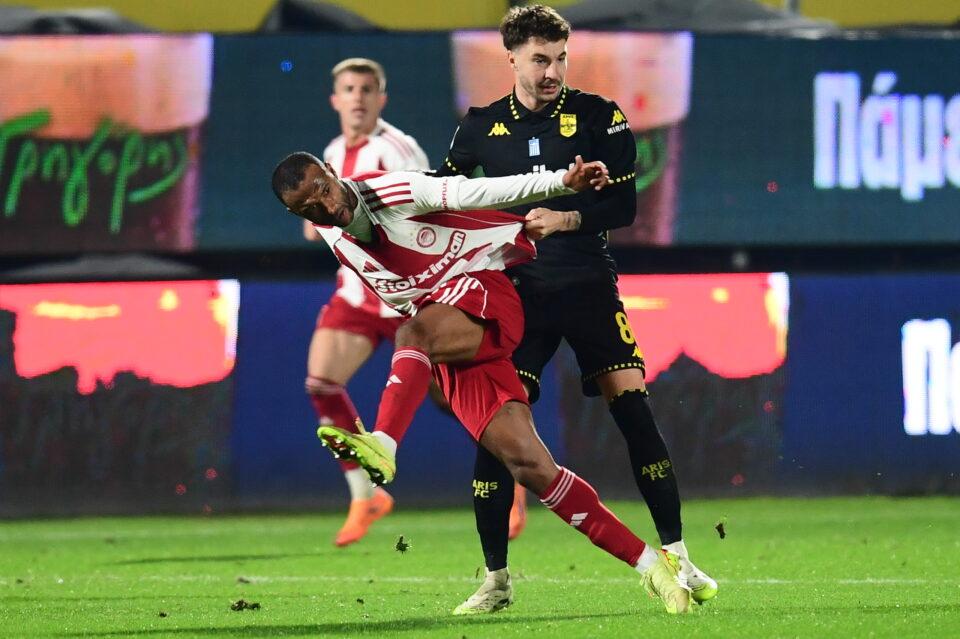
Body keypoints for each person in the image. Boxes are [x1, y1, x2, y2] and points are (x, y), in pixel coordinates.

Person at [271, 151, 693, 614]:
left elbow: (479, 192)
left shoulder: (393, 191)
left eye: (324, 190)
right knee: (530, 466)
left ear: (333, 173)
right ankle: (653, 566)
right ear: (297, 215)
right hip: (449, 329)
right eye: (309, 208)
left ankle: (384, 444)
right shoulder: (334, 234)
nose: (326, 207)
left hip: (485, 293)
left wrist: (561, 181)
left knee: (411, 334)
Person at [434, 4, 717, 613]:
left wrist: (565, 219)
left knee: (635, 413)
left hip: (589, 287)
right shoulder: (478, 128)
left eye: (560, 58)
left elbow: (624, 208)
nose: (552, 72)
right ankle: (495, 580)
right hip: (518, 300)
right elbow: (442, 198)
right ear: (511, 58)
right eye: (540, 59)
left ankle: (678, 555)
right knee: (496, 432)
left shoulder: (599, 116)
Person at [303, 58, 429, 547]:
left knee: (458, 401)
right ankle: (365, 495)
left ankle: (513, 481)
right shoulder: (332, 153)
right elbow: (317, 226)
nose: (358, 97)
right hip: (357, 294)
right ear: (335, 100)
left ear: (382, 99)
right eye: (349, 89)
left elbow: (425, 213)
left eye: (367, 89)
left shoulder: (398, 149)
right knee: (321, 382)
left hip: (405, 296)